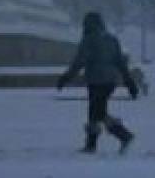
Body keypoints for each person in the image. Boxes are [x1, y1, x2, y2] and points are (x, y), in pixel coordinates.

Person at [56, 11, 139, 154]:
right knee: (95, 111)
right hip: (110, 81)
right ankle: (91, 144)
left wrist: (66, 77)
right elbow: (120, 62)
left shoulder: (89, 40)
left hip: (96, 80)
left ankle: (123, 135)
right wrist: (129, 82)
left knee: (98, 112)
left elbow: (79, 61)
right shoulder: (112, 39)